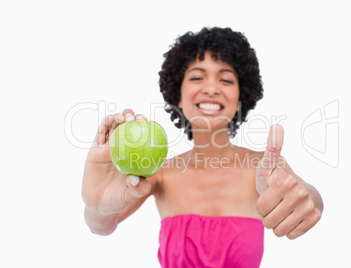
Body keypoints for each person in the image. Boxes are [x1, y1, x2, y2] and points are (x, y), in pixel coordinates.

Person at [82, 27, 323, 267]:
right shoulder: (160, 173)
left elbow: (309, 196)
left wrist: (307, 198)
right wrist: (96, 206)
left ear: (241, 97)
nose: (211, 88)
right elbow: (102, 226)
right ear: (177, 94)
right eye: (197, 77)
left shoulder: (265, 168)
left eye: (226, 79)